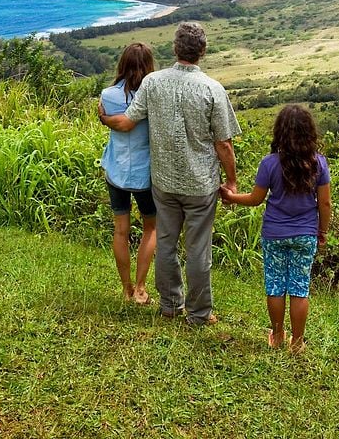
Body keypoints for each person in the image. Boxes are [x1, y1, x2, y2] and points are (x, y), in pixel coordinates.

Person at [99, 22, 241, 326]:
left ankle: (170, 305)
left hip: (163, 180)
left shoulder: (152, 83)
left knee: (166, 243)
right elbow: (224, 145)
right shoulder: (212, 88)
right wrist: (231, 181)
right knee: (198, 250)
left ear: (175, 48)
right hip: (199, 183)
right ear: (202, 51)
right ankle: (200, 314)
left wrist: (104, 119)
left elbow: (127, 122)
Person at [221, 104, 332, 354]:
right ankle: (297, 342)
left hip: (274, 233)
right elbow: (325, 203)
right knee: (299, 288)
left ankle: (278, 334)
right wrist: (322, 230)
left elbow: (255, 199)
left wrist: (229, 196)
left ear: (280, 132)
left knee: (275, 286)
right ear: (308, 132)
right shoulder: (319, 164)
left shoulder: (269, 163)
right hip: (306, 233)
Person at [100, 42, 157, 305]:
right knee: (151, 227)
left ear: (122, 64)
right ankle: (141, 287)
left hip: (116, 169)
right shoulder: (153, 97)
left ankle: (126, 287)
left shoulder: (107, 95)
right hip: (146, 174)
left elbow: (117, 125)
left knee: (121, 230)